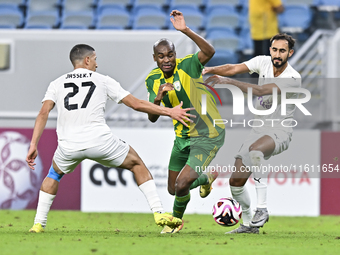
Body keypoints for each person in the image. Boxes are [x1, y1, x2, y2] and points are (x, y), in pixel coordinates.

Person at [26, 44, 195, 233]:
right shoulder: (103, 80)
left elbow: (43, 112)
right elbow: (137, 104)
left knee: (53, 174)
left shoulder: (56, 83)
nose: (97, 64)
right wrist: (169, 111)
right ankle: (159, 213)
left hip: (69, 145)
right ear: (87, 60)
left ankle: (38, 224)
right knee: (137, 164)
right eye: (95, 59)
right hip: (100, 141)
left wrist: (33, 144)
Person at [203, 33, 301, 234]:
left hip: (280, 131)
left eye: (282, 51)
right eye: (274, 49)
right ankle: (248, 225)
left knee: (256, 150)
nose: (277, 54)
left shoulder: (293, 77)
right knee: (236, 182)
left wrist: (228, 82)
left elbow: (261, 91)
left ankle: (262, 209)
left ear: (290, 53)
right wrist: (209, 69)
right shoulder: (263, 62)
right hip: (257, 130)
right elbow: (232, 68)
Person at [145, 10, 225, 234]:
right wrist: (159, 99)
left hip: (207, 134)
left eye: (170, 54)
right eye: (161, 56)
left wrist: (185, 30)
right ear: (155, 59)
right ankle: (207, 177)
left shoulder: (188, 66)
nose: (167, 59)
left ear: (175, 54)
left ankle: (174, 223)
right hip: (181, 138)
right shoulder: (152, 79)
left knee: (182, 185)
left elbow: (210, 51)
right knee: (173, 189)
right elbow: (152, 117)